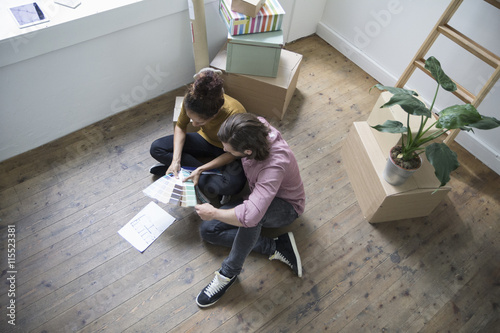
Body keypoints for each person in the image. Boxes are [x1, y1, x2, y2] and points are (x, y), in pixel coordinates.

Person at [194, 113, 306, 308]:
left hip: (286, 206)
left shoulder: (274, 166)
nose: (223, 149)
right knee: (208, 231)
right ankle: (276, 246)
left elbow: (250, 216)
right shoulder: (256, 126)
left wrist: (214, 212)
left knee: (253, 218)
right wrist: (203, 168)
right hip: (259, 196)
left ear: (247, 151)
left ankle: (228, 273)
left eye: (228, 148)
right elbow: (231, 152)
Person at [150, 68, 247, 201]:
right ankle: (184, 171)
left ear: (215, 114)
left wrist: (201, 169)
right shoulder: (191, 99)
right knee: (156, 148)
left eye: (199, 122)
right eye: (192, 119)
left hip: (229, 151)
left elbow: (232, 154)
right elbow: (180, 126)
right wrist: (175, 160)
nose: (194, 125)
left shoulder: (235, 114)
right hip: (205, 140)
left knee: (233, 186)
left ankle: (185, 173)